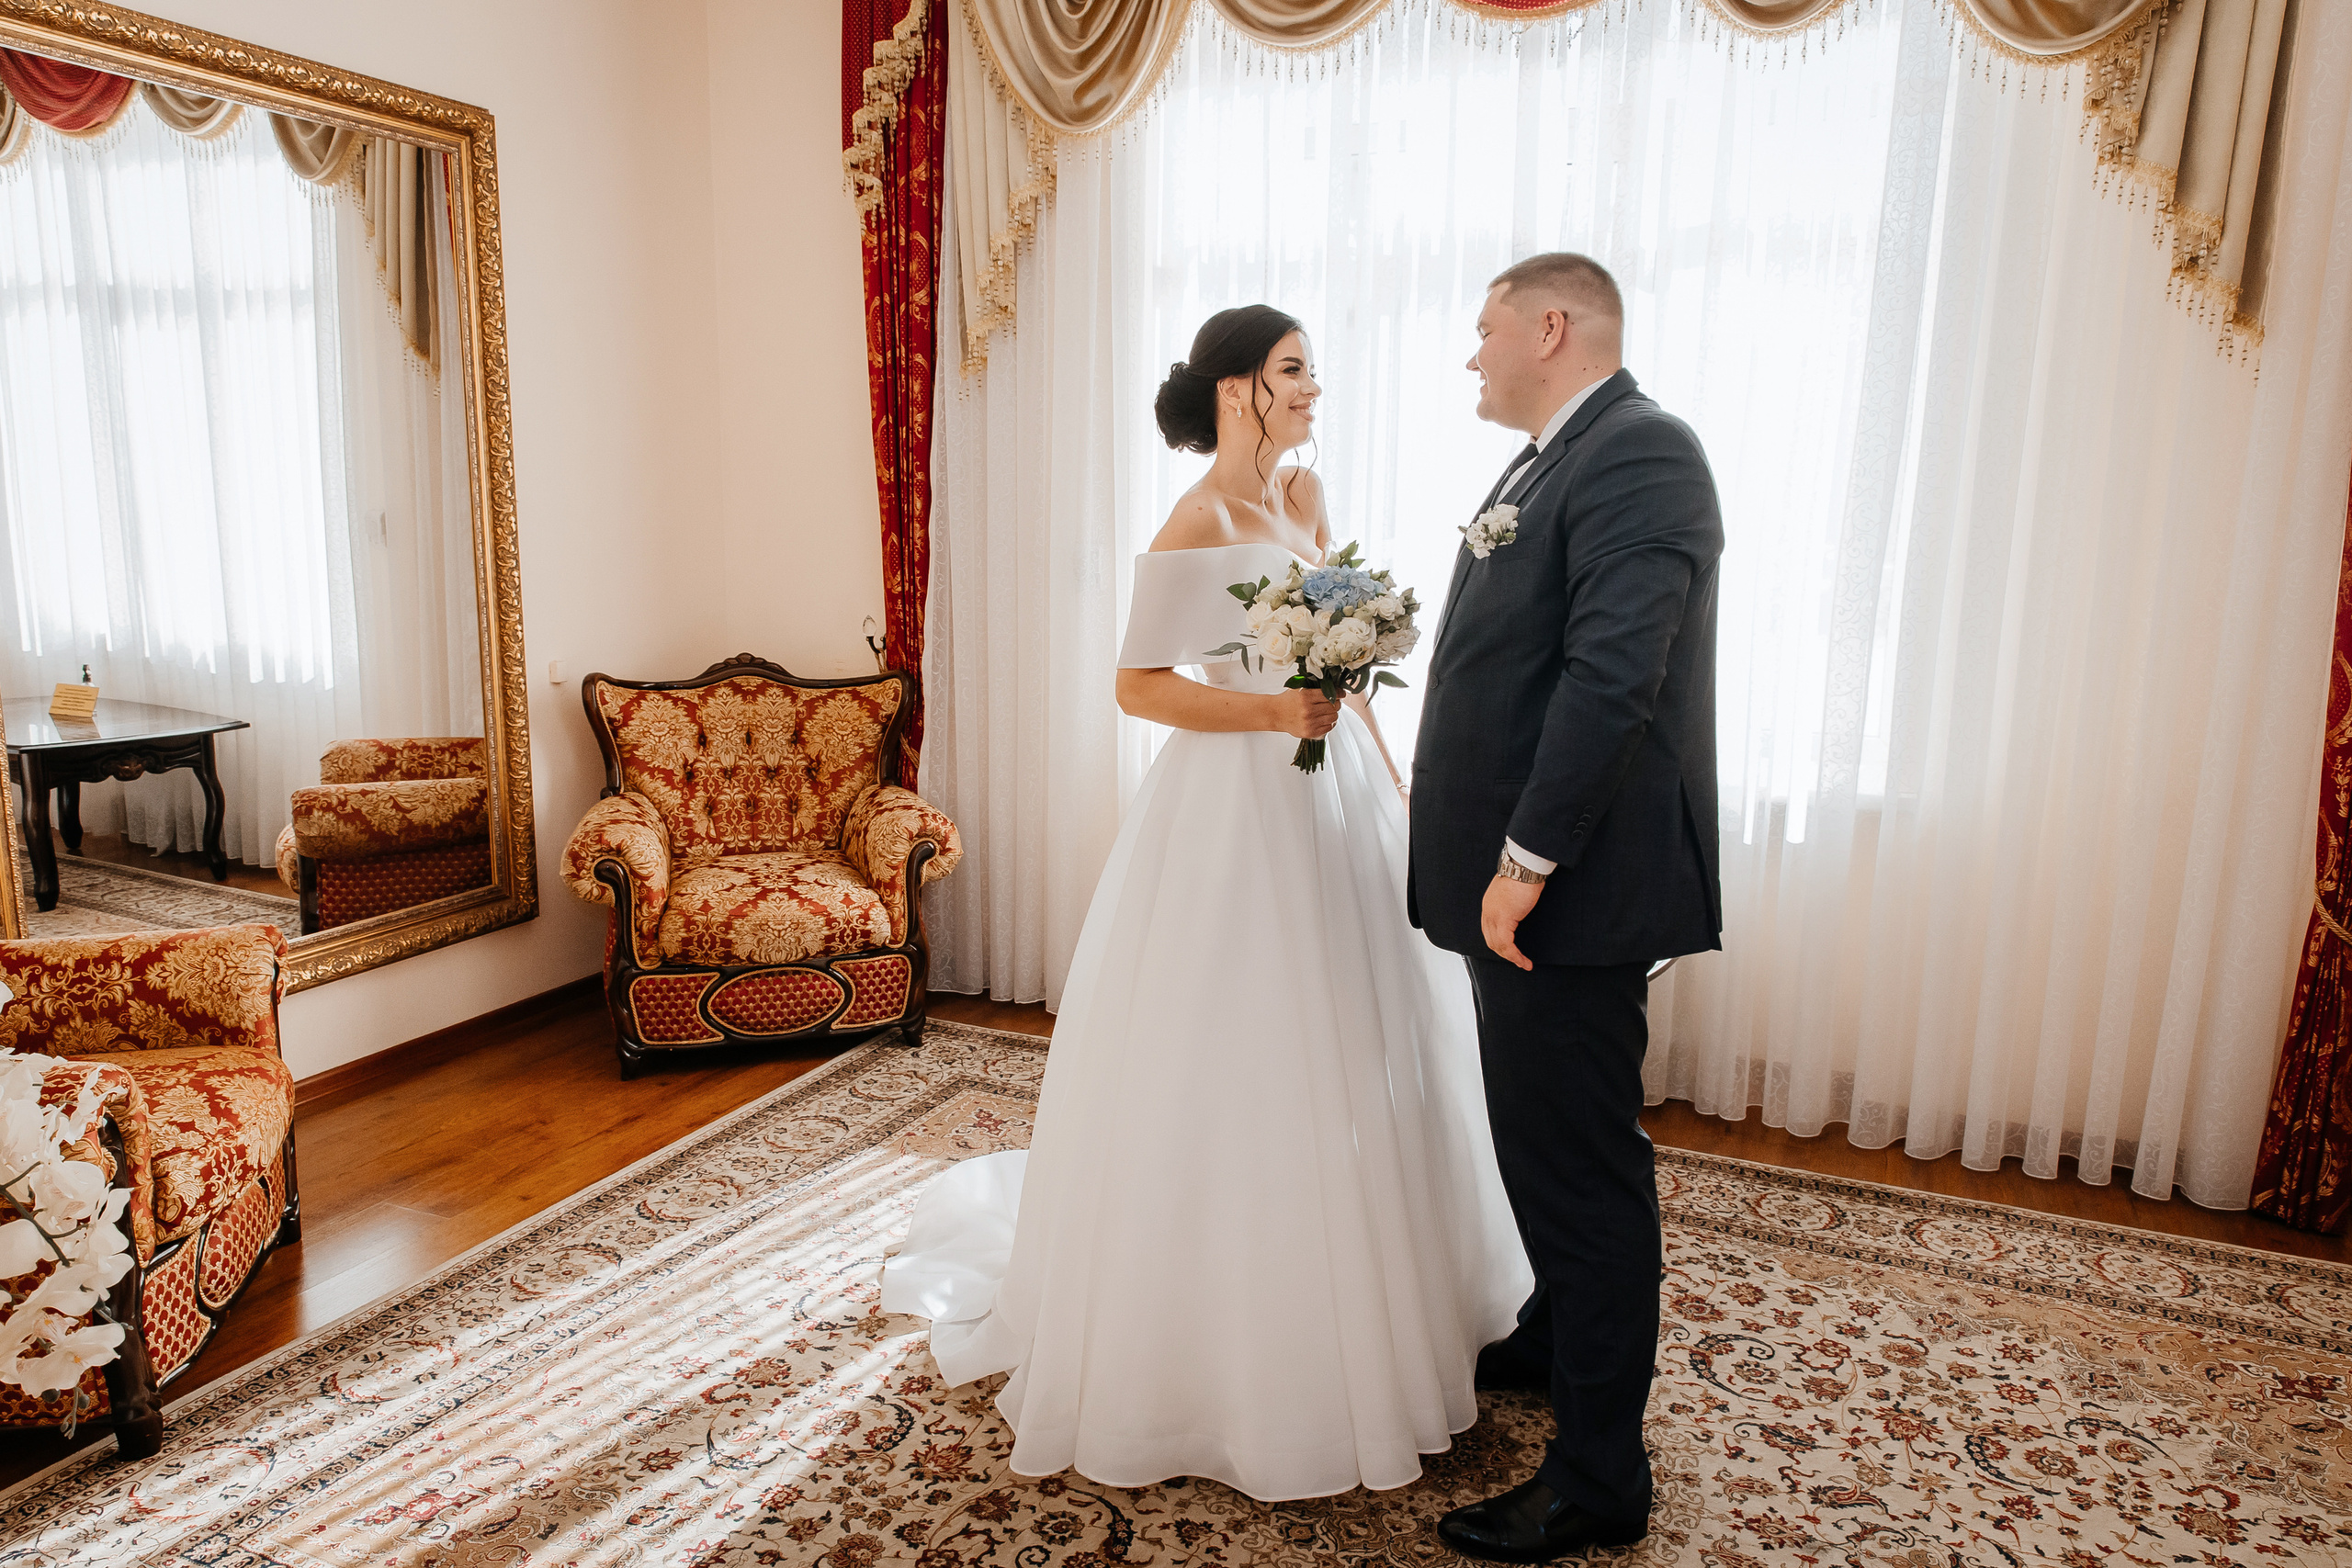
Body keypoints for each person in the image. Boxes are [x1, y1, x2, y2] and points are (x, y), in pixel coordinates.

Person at [880, 304, 1531, 1503]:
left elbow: (1339, 663)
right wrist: (1272, 714)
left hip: (1329, 799)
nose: (1314, 389)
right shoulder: (1196, 519)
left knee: (1359, 1035)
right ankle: (1212, 1330)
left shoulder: (1310, 498)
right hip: (1230, 808)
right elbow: (1137, 687)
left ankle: (1368, 1294)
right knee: (1231, 1042)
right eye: (1295, 372)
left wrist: (1397, 781)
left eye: (1313, 371)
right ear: (1238, 388)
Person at [1410, 253, 1724, 1562]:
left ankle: (1599, 1480)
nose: (1472, 355)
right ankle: (1553, 1342)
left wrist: (1526, 861)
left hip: (1567, 894)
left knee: (1584, 1171)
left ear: (1552, 325)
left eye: (1485, 330)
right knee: (1537, 1137)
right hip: (1529, 888)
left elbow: (1612, 680)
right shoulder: (1551, 454)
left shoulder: (1643, 453)